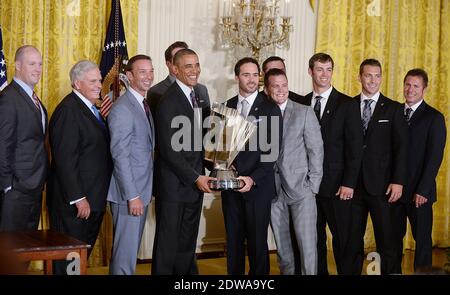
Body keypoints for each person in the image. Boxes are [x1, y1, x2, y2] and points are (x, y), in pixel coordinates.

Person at [298, 53, 364, 275]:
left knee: (344, 241)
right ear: (310, 71)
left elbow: (355, 149)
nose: (324, 74)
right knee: (313, 241)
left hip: (338, 187)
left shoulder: (347, 104)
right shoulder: (302, 103)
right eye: (319, 69)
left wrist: (349, 183)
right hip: (307, 188)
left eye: (328, 69)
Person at [151, 49, 214, 275]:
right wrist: (196, 177)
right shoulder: (169, 100)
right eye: (188, 66)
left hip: (193, 184)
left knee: (186, 245)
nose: (194, 70)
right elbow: (169, 150)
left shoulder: (195, 95)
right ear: (175, 69)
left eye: (196, 65)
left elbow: (196, 143)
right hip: (174, 186)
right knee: (168, 244)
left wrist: (214, 164)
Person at [47, 60, 113, 275]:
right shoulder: (68, 110)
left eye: (100, 80)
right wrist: (78, 197)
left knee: (79, 257)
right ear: (77, 83)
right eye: (93, 81)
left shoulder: (89, 109)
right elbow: (64, 159)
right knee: (69, 260)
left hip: (93, 198)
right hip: (75, 204)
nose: (98, 85)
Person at [344, 58, 407, 274]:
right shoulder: (348, 106)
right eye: (368, 75)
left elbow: (402, 149)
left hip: (382, 188)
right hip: (353, 187)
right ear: (360, 77)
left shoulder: (394, 109)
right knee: (352, 241)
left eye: (377, 75)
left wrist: (398, 181)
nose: (373, 80)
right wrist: (345, 181)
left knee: (386, 241)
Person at [222, 57, 282, 275]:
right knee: (234, 244)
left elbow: (271, 153)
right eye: (246, 75)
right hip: (230, 187)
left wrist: (252, 178)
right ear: (237, 77)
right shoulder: (226, 106)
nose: (251, 79)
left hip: (258, 188)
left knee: (257, 245)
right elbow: (219, 148)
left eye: (255, 75)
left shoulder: (270, 108)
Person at [265, 68, 323, 275]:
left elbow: (316, 150)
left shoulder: (304, 111)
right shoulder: (262, 113)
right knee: (283, 249)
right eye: (275, 86)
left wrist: (313, 187)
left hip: (302, 191)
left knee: (307, 247)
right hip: (272, 191)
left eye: (284, 85)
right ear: (267, 89)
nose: (281, 90)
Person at [392, 68, 446, 272]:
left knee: (422, 240)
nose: (410, 89)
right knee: (392, 239)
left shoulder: (434, 118)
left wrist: (423, 190)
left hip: (419, 193)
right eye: (407, 84)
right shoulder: (394, 112)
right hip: (395, 191)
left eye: (415, 85)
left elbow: (434, 158)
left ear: (424, 89)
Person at [107, 55, 155, 275]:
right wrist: (132, 195)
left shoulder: (143, 104)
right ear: (129, 76)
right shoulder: (123, 108)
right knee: (125, 253)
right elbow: (120, 155)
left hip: (141, 191)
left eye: (150, 71)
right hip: (129, 194)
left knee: (130, 250)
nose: (148, 76)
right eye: (142, 72)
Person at [0, 45, 49, 231]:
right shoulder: (8, 98)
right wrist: (7, 187)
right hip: (15, 191)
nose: (38, 69)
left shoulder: (34, 99)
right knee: (10, 252)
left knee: (26, 251)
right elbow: (2, 146)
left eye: (40, 64)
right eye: (32, 64)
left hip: (34, 188)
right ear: (17, 65)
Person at [147, 41, 209, 116]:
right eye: (178, 57)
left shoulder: (202, 90)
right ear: (169, 64)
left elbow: (207, 121)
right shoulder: (156, 92)